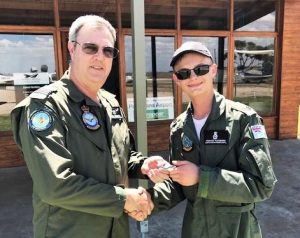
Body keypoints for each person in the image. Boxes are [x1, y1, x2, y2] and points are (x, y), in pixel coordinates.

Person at [10, 15, 155, 238]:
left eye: (108, 51)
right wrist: (125, 199)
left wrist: (145, 165)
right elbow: (55, 185)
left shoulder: (110, 102)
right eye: (90, 48)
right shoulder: (45, 107)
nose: (100, 57)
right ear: (72, 48)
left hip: (116, 230)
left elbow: (122, 156)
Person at [140, 41, 277, 238]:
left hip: (237, 230)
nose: (193, 77)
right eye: (184, 73)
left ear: (213, 70)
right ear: (176, 79)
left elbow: (261, 185)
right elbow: (180, 186)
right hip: (195, 230)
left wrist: (201, 177)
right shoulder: (179, 129)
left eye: (200, 69)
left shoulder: (243, 119)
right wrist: (148, 199)